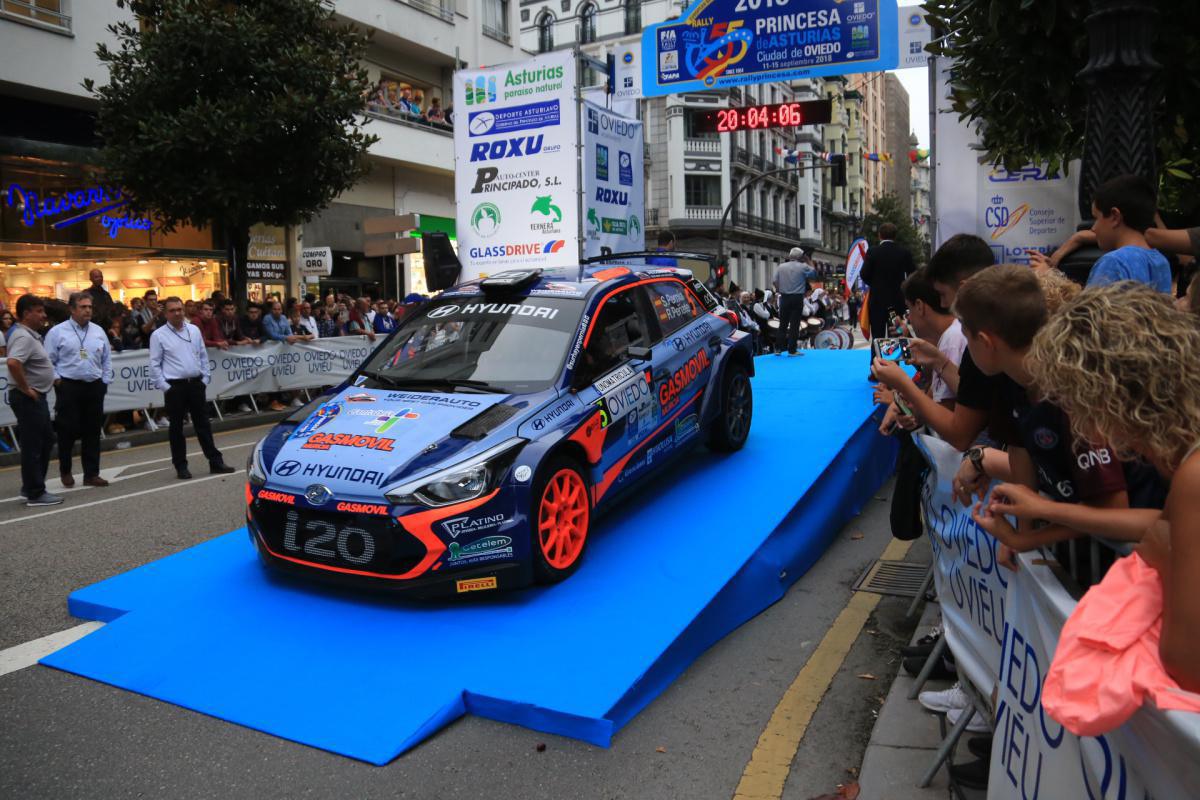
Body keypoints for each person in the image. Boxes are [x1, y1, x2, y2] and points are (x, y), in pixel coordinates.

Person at [1021, 283, 1200, 692]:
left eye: (1075, 402)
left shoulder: (1191, 475)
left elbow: (1187, 663)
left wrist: (1164, 561)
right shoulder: (1182, 464)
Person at [148, 297, 235, 480]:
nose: (177, 313)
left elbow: (203, 355)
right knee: (177, 429)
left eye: (179, 309)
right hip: (175, 387)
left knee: (203, 424)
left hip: (196, 384)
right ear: (166, 314)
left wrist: (205, 378)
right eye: (172, 310)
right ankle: (181, 466)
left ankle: (215, 462)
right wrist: (165, 387)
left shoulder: (194, 330)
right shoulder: (158, 335)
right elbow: (154, 365)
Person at [45, 291, 113, 488]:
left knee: (92, 431)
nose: (88, 310)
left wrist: (104, 381)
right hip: (69, 387)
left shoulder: (98, 331)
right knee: (67, 431)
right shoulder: (57, 332)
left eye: (90, 307)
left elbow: (107, 359)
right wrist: (58, 381)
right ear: (72, 309)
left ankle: (91, 473)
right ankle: (65, 470)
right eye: (83, 307)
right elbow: (48, 361)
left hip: (94, 386)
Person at [6, 295, 62, 506]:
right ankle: (36, 493)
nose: (43, 315)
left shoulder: (30, 335)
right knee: (34, 444)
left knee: (45, 439)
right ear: (26, 313)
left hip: (35, 397)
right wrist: (26, 388)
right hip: (28, 398)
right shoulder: (23, 337)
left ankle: (30, 486)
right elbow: (13, 363)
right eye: (38, 311)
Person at [1080, 174, 1171, 292]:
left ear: (1115, 217)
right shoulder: (1161, 262)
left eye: (1096, 218)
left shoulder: (1113, 262)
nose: (1093, 228)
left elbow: (1088, 309)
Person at [860, 222, 916, 339]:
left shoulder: (873, 251)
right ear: (895, 236)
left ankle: (876, 357)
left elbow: (864, 274)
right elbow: (913, 275)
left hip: (877, 302)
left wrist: (875, 284)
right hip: (896, 302)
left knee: (878, 335)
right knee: (896, 332)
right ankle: (894, 357)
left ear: (879, 235)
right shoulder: (904, 252)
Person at [772, 247, 812, 356]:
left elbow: (774, 281)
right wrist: (808, 260)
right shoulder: (803, 266)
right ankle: (792, 350)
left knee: (783, 324)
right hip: (797, 297)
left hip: (784, 297)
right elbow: (813, 273)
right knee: (794, 324)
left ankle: (778, 348)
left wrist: (780, 289)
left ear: (790, 256)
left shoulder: (781, 266)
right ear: (800, 257)